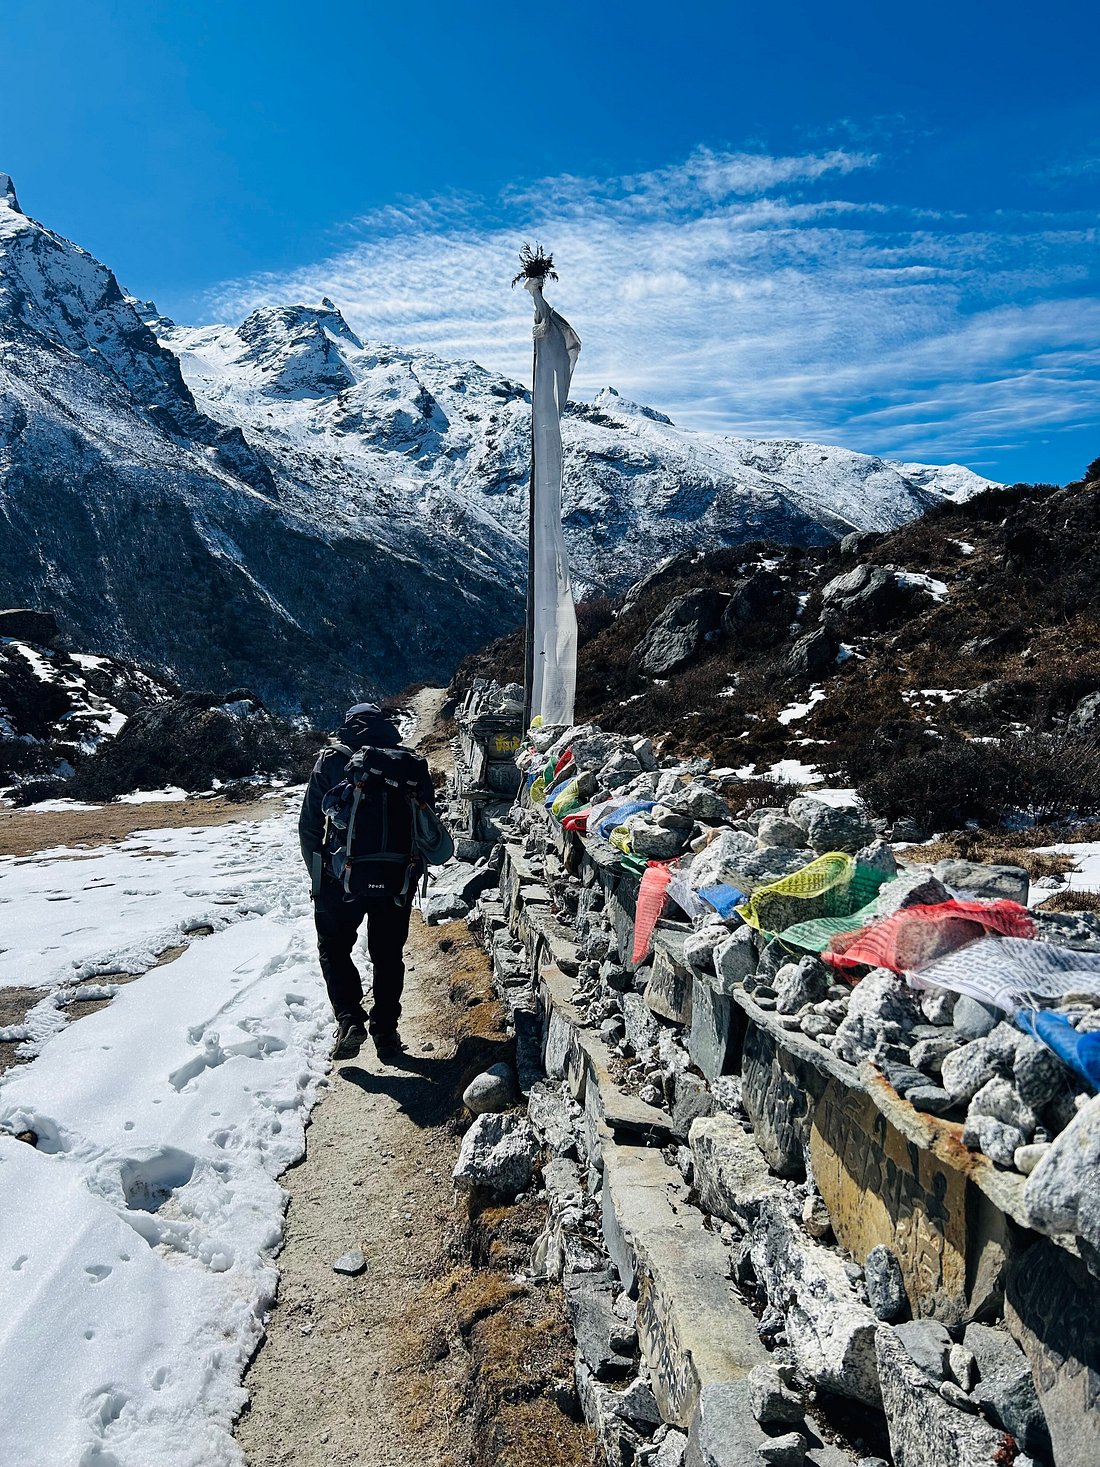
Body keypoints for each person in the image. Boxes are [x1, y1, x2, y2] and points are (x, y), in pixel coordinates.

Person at [299, 701, 435, 1062]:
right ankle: (386, 1032)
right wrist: (411, 873)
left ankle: (349, 1020)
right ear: (383, 725)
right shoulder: (410, 763)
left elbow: (310, 824)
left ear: (349, 725)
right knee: (388, 955)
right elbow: (426, 825)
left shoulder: (330, 760)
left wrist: (320, 875)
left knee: (333, 947)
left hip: (339, 878)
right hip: (395, 879)